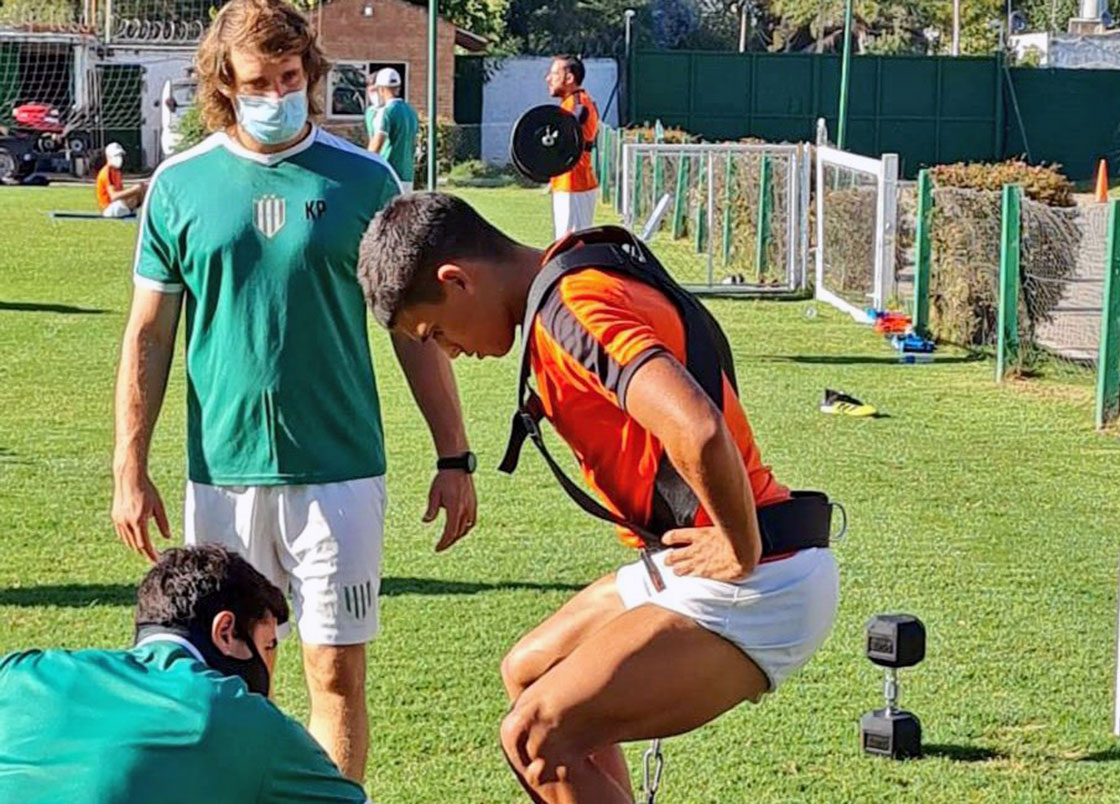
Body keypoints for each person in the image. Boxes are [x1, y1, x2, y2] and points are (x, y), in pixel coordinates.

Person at [356, 194, 841, 803]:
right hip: (712, 558)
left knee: (535, 737)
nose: (452, 352)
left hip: (765, 578)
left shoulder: (572, 309)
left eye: (437, 333)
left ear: (457, 280)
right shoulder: (570, 278)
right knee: (529, 672)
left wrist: (741, 548)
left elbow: (699, 429)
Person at [110, 0, 477, 783]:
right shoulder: (179, 186)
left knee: (335, 678)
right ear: (222, 84)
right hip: (223, 475)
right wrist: (128, 470)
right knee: (224, 687)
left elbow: (413, 330)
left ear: (310, 74)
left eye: (289, 76)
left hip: (340, 471)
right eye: (256, 81)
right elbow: (148, 337)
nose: (275, 95)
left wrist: (456, 455)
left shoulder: (368, 182)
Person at [0, 545, 368, 803]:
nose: (270, 671)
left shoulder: (23, 671)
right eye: (269, 646)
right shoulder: (240, 717)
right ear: (226, 632)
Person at [545, 55, 598, 239]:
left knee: (571, 245)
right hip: (567, 181)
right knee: (564, 243)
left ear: (569, 78)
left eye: (553, 74)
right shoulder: (570, 102)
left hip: (575, 183)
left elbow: (567, 133)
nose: (548, 78)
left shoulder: (578, 103)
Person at [367, 67, 419, 195]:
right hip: (407, 174)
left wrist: (364, 166)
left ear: (381, 89)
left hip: (388, 174)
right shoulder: (411, 111)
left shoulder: (385, 112)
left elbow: (377, 144)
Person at [96, 142, 145, 217]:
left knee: (144, 189)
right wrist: (134, 189)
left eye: (120, 155)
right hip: (109, 208)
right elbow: (113, 196)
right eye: (116, 155)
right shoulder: (107, 172)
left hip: (116, 205)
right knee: (140, 190)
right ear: (108, 157)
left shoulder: (116, 171)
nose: (119, 158)